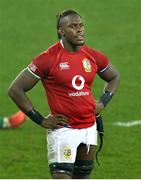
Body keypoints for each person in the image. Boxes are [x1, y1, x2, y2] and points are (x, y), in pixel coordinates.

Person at [8, 9, 120, 179]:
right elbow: (15, 89)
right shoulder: (48, 59)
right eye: (73, 26)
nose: (79, 29)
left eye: (81, 25)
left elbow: (114, 76)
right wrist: (41, 120)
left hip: (89, 128)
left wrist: (103, 101)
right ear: (62, 32)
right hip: (64, 131)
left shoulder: (91, 55)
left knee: (82, 177)